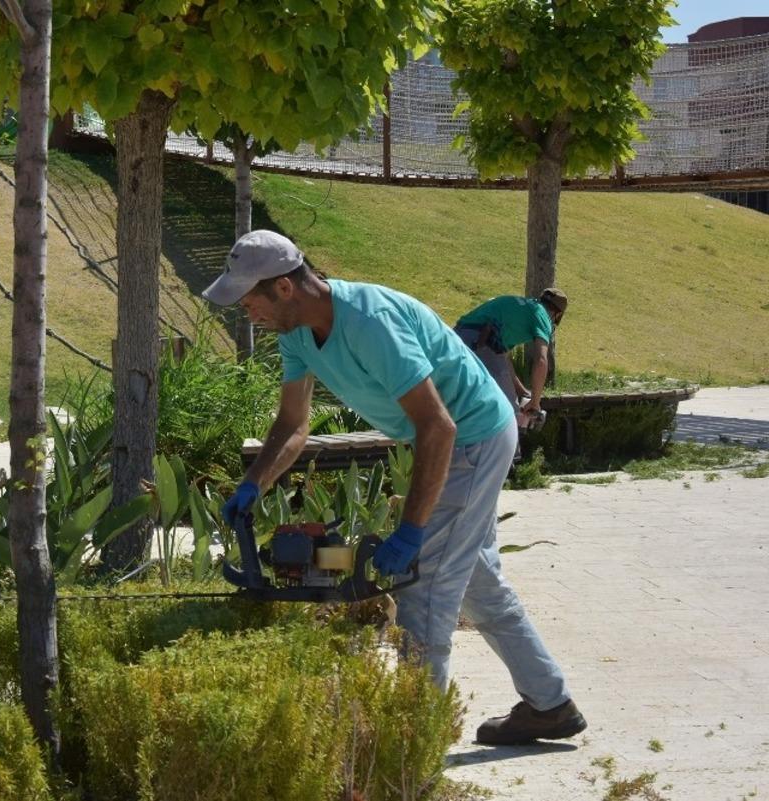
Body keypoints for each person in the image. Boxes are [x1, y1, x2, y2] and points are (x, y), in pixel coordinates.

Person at [203, 230, 586, 746]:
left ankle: (412, 745)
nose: (248, 314)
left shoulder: (369, 321)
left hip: (471, 435)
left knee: (423, 591)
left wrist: (411, 531)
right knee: (477, 583)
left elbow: (438, 426)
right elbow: (293, 424)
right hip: (449, 436)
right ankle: (550, 703)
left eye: (250, 301)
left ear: (285, 288)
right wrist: (254, 484)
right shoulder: (296, 334)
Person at [453, 290, 568, 429]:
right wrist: (535, 402)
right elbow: (541, 361)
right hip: (481, 340)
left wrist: (521, 391)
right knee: (508, 411)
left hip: (457, 338)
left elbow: (503, 359)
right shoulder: (542, 315)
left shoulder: (522, 310)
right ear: (558, 315)